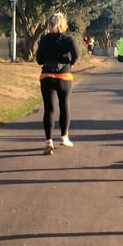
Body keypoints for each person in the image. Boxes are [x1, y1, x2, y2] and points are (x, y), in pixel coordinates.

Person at [35, 12, 80, 155]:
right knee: (64, 105)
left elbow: (39, 59)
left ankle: (48, 141)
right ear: (64, 24)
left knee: (49, 109)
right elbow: (76, 55)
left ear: (49, 25)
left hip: (47, 75)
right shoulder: (69, 39)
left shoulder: (44, 39)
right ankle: (64, 136)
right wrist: (70, 64)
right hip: (64, 76)